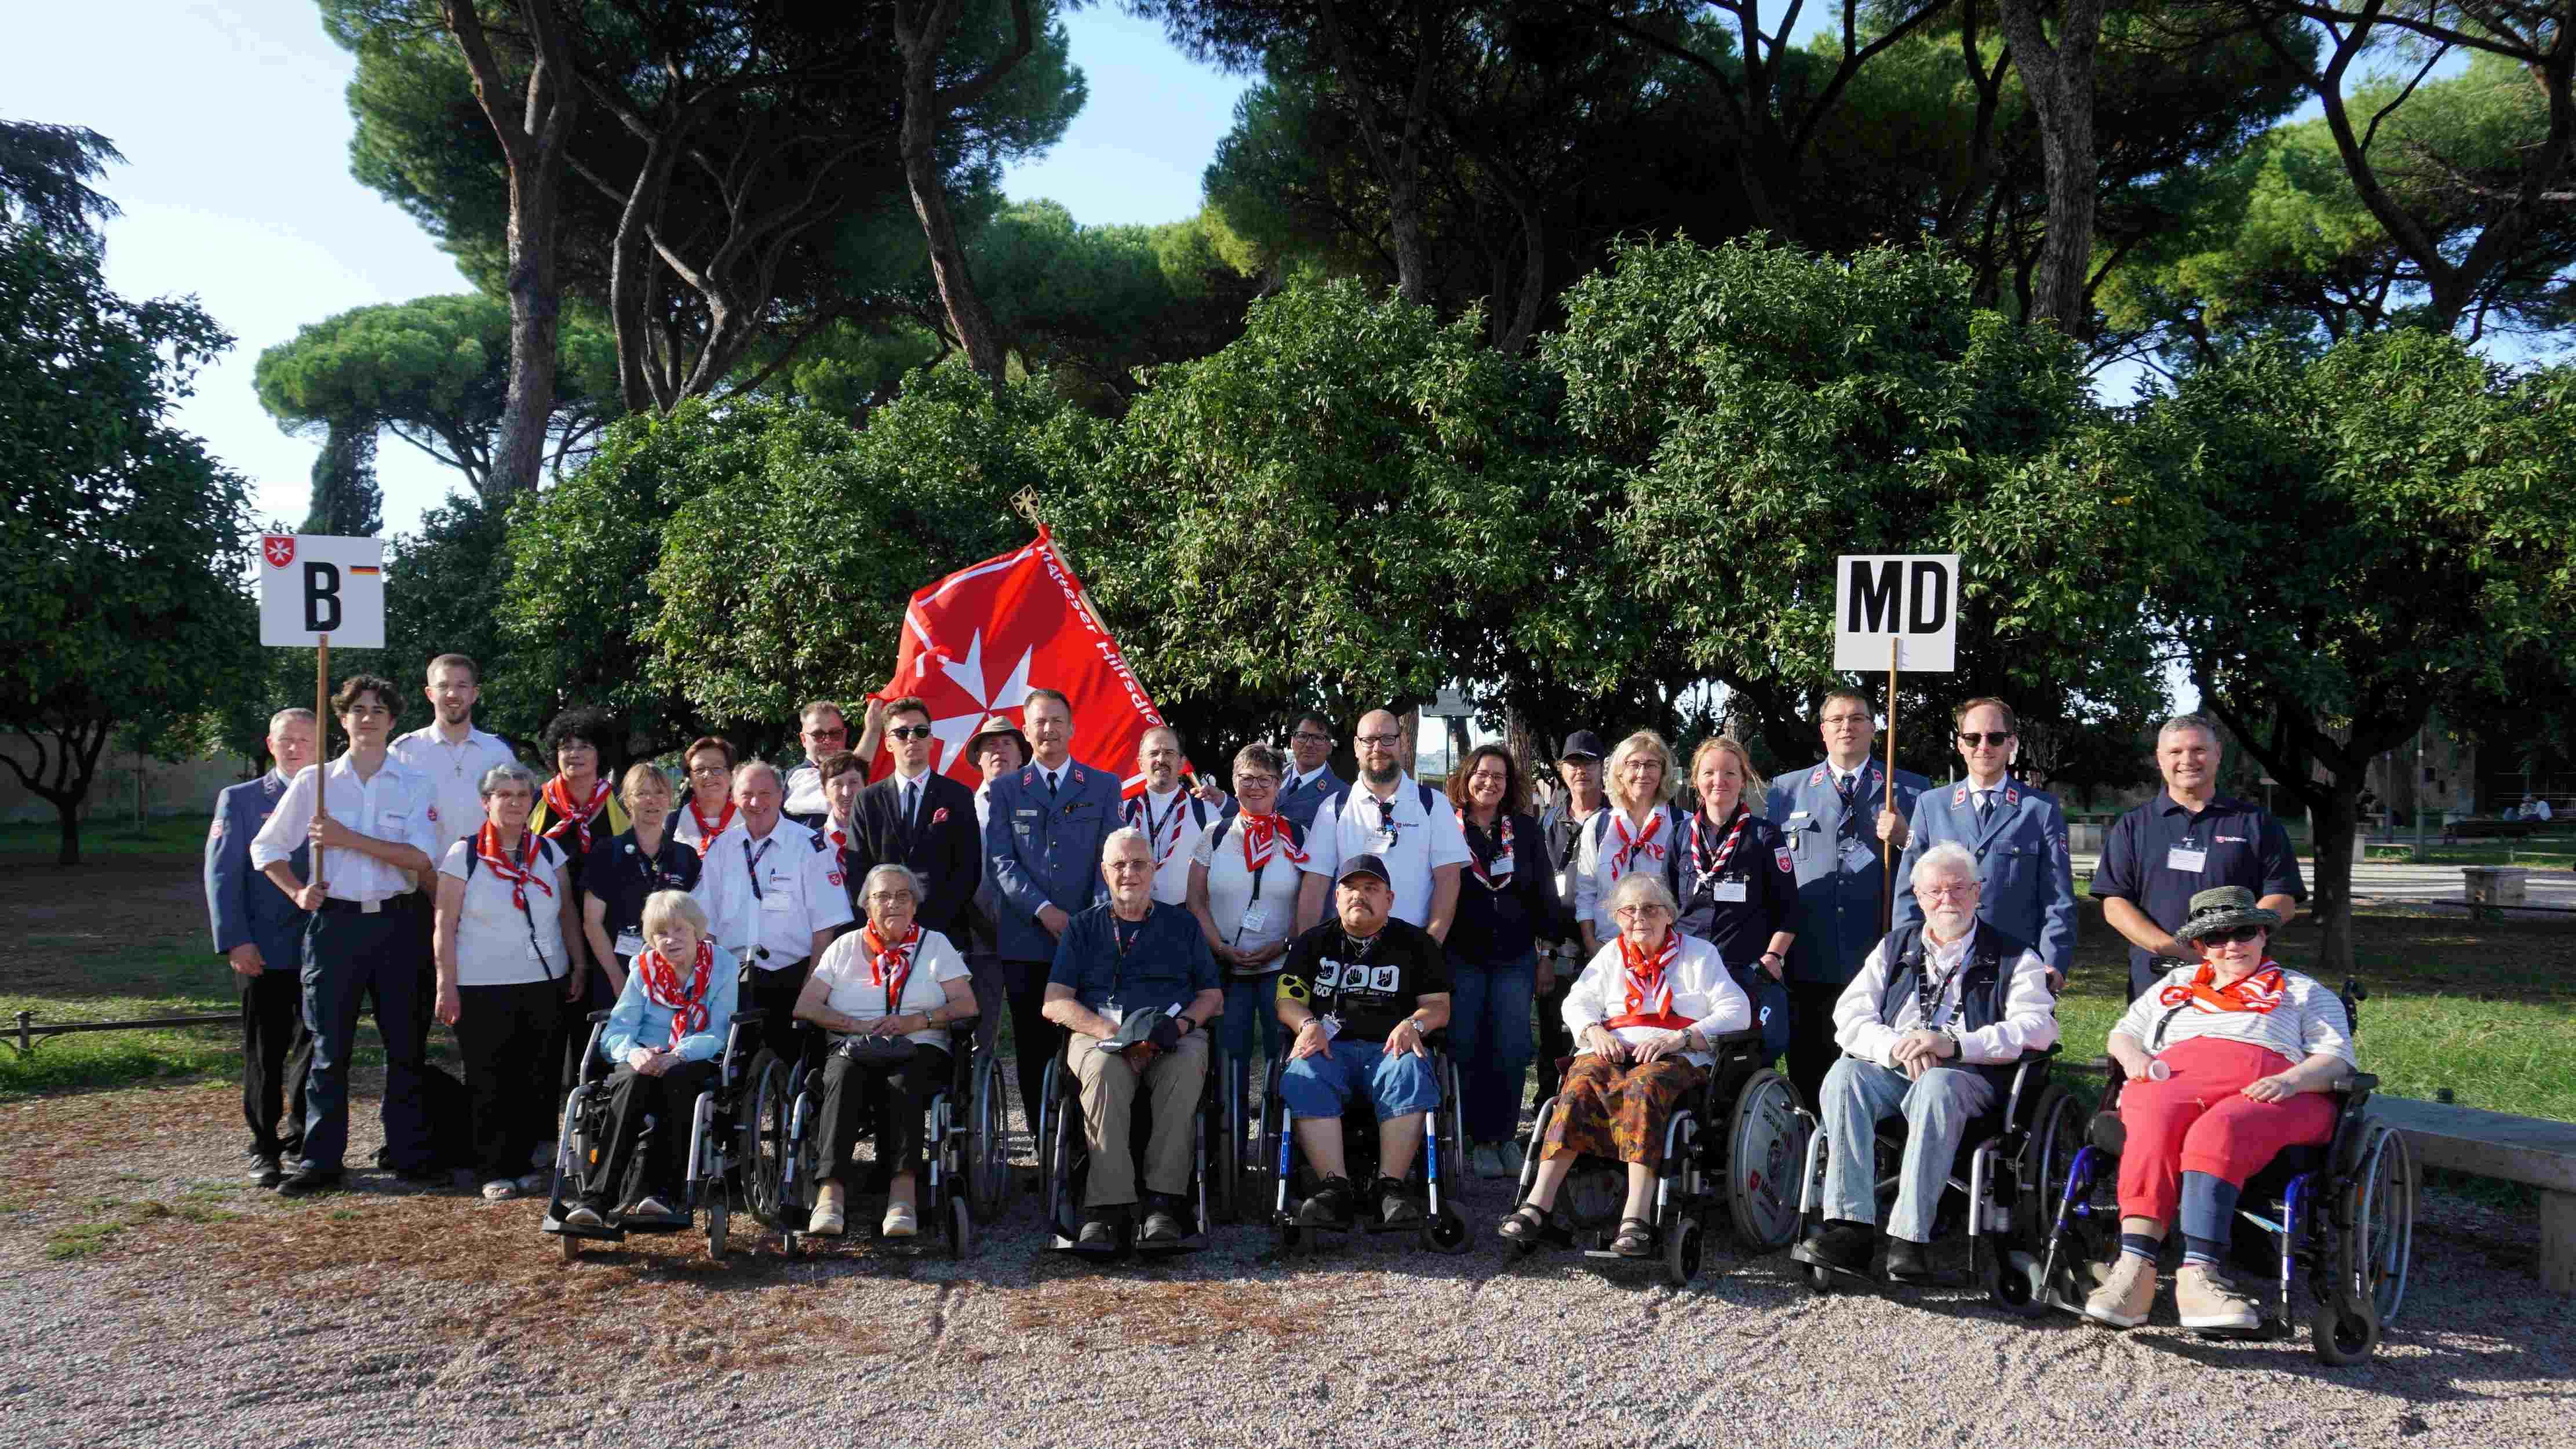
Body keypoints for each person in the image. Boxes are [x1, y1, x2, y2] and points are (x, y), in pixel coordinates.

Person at [2083, 887, 2356, 1332]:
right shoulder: (2173, 987)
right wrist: (2133, 1059)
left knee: (2220, 1127)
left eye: (2243, 932)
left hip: (2276, 1089)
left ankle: (2199, 1276)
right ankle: (2133, 1270)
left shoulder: (2303, 990)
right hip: (2176, 1080)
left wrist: (2290, 1080)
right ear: (2198, 947)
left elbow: (2336, 1060)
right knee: (2152, 1115)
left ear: (2263, 935)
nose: (2231, 945)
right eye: (2215, 937)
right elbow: (2123, 1034)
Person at [1791, 843, 2059, 1283]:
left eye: (1957, 889)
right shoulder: (1894, 946)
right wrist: (1898, 1047)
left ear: (1977, 892)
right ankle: (1850, 1228)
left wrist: (1952, 1045)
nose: (1946, 900)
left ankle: (1909, 1238)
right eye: (1934, 891)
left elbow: (2037, 1029)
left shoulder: (2015, 956)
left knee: (1937, 1087)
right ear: (1917, 897)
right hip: (1896, 1069)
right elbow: (1849, 1015)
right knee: (1843, 1075)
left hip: (1969, 1078)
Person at [249, 675, 440, 1196]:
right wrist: (295, 892)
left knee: (405, 1045)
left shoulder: (414, 782)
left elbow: (422, 858)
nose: (369, 717)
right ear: (343, 718)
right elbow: (264, 849)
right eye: (358, 709)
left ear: (393, 720)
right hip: (336, 926)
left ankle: (406, 1150)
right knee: (330, 1048)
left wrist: (346, 839)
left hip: (399, 924)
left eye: (379, 710)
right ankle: (321, 1159)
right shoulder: (315, 783)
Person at [1497, 873, 1751, 1255]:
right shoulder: (1611, 954)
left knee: (1644, 1087)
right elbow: (1577, 1002)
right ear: (1616, 918)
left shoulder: (1699, 954)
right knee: (1579, 1084)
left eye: (1650, 908)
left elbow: (1738, 1010)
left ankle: (1636, 1217)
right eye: (1628, 910)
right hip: (1612, 1049)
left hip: (1673, 1055)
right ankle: (1538, 1205)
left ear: (1669, 914)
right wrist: (1592, 1030)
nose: (1639, 918)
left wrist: (1680, 1037)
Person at [1043, 829, 1223, 1247]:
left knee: (1183, 1068)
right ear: (1104, 873)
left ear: (1155, 869)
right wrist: (1111, 1034)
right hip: (1102, 1035)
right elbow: (1054, 1003)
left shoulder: (1182, 925)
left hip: (1170, 1033)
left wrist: (1176, 1029)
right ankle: (1107, 1209)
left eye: (1139, 863)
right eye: (1119, 865)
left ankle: (1164, 1204)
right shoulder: (1083, 927)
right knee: (1104, 1070)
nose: (1129, 873)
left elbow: (1211, 996)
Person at [793, 863, 978, 1238]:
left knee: (905, 1074)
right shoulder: (843, 947)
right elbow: (806, 1007)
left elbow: (966, 1005)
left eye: (902, 895)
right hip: (852, 1046)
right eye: (882, 896)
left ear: (914, 904)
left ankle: (903, 1195)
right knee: (842, 1076)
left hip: (921, 1045)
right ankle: (830, 1194)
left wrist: (916, 1022)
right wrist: (856, 1026)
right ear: (867, 906)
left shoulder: (936, 945)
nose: (893, 903)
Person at [1766, 687, 1926, 1110]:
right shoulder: (1786, 790)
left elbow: (1938, 870)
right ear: (1822, 731)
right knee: (1808, 1056)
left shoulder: (1910, 790)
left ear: (1874, 728)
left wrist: (1907, 838)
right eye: (1836, 720)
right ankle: (1811, 1139)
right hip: (1809, 951)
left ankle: (1878, 1144)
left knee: (1875, 1059)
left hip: (1879, 951)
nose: (1846, 727)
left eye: (1857, 718)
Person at [1274, 853, 1453, 1229]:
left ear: (1389, 899)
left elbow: (1438, 1007)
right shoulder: (1311, 942)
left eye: (1370, 889)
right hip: (1328, 1050)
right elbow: (1287, 999)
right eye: (1351, 889)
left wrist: (1413, 1026)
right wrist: (1307, 1024)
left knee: (1409, 1068)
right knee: (1303, 1070)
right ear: (1336, 898)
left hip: (1388, 1049)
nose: (1360, 896)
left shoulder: (1416, 943)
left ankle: (1389, 1188)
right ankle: (1332, 1189)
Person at [433, 762, 582, 1201]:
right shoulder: (464, 855)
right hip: (482, 985)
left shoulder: (550, 852)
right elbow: (444, 922)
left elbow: (567, 913)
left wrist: (580, 965)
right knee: (490, 1077)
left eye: (522, 794)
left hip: (544, 981)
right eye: (504, 794)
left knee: (538, 1076)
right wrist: (447, 984)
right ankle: (494, 1167)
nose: (515, 802)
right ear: (486, 802)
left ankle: (533, 1163)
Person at [983, 688, 1125, 1122]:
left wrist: (1089, 921)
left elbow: (1112, 860)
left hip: (1088, 940)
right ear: (1026, 731)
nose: (1048, 729)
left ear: (1071, 728)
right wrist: (1043, 910)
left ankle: (1085, 1146)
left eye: (1056, 721)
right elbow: (1001, 861)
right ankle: (1045, 1148)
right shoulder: (1005, 790)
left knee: (1089, 1044)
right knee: (1033, 1047)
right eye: (1039, 722)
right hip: (1026, 941)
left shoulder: (1102, 786)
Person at [2092, 713, 2305, 1000]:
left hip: (2240, 979)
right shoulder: (2132, 826)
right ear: (2160, 759)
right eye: (2176, 752)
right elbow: (2115, 905)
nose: (2187, 760)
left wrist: (2231, 944)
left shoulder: (2257, 823)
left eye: (2199, 750)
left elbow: (2284, 899)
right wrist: (2176, 950)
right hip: (2157, 980)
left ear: (2218, 754)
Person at [562, 890, 739, 1228]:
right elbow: (617, 1030)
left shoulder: (723, 967)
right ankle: (597, 1199)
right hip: (643, 1058)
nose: (670, 940)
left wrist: (679, 1054)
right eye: (660, 933)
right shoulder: (642, 968)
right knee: (631, 1080)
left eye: (679, 930)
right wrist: (634, 1053)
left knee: (679, 1080)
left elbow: (719, 1031)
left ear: (697, 931)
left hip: (693, 1056)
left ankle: (661, 1193)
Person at [205, 707, 319, 1186]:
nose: (295, 748)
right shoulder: (242, 799)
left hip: (321, 948)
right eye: (285, 740)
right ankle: (264, 1146)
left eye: (305, 740)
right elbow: (222, 874)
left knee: (314, 1052)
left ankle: (302, 1141)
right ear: (269, 745)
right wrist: (236, 940)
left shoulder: (334, 795)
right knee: (265, 1051)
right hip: (264, 950)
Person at [1893, 698, 2076, 989]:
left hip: (2017, 965)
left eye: (1995, 738)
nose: (1984, 746)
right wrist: (1908, 955)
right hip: (1942, 963)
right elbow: (1908, 892)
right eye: (1973, 738)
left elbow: (2058, 897)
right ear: (1960, 744)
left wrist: (2052, 962)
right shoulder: (1931, 806)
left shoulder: (2040, 809)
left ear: (2011, 743)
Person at [389, 653, 518, 1065]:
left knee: (483, 1029)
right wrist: (433, 884)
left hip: (481, 905)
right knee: (410, 1026)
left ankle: (483, 1120)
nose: (453, 694)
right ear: (429, 693)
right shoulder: (404, 752)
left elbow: (512, 824)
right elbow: (393, 830)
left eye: (462, 685)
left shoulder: (498, 752)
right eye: (444, 685)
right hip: (417, 899)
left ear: (475, 693)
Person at [1442, 744, 1561, 1178]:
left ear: (1509, 785)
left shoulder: (1525, 831)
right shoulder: (1446, 827)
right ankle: (1474, 1138)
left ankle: (1504, 1135)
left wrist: (1546, 953)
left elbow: (1544, 894)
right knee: (1466, 1046)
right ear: (1465, 777)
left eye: (1499, 776)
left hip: (1514, 958)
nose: (1489, 782)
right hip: (1461, 956)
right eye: (1481, 773)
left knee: (1511, 1049)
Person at [1184, 743, 1307, 1144]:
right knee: (1229, 1056)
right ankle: (1230, 1144)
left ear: (1279, 784)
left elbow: (1310, 902)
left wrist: (1285, 943)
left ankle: (1280, 1143)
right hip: (1226, 967)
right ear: (1234, 783)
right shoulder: (1214, 834)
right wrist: (1218, 945)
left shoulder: (1298, 836)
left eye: (1265, 779)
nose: (1256, 787)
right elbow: (1195, 900)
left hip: (1281, 966)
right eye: (1247, 778)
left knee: (1284, 1057)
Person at [699, 760, 854, 1044]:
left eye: (766, 793)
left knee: (786, 1070)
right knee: (733, 1071)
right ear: (734, 797)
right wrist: (708, 983)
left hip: (792, 979)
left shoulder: (809, 846)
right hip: (732, 980)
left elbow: (825, 927)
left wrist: (812, 987)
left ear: (781, 796)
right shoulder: (720, 849)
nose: (756, 802)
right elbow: (705, 924)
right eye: (746, 794)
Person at [1295, 708, 1470, 938]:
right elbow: (1316, 882)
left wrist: (1432, 945)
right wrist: (1305, 949)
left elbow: (1448, 880)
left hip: (1412, 946)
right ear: (1357, 747)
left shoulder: (1433, 805)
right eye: (1369, 740)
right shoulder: (1333, 808)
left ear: (1402, 744)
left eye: (1388, 739)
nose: (1378, 748)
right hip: (1346, 947)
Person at [1673, 736, 1798, 1060]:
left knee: (1743, 1062)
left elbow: (1789, 908)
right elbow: (1668, 904)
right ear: (1696, 779)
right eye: (1709, 773)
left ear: (1743, 779)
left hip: (1745, 971)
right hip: (1689, 972)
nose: (1719, 781)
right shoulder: (1680, 834)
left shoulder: (1764, 835)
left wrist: (1773, 958)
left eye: (1729, 773)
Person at [844, 696, 982, 942]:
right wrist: (886, 922)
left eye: (921, 731)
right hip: (882, 932)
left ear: (931, 740)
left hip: (943, 932)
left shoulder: (958, 795)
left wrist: (927, 926)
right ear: (888, 744)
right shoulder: (867, 800)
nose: (912, 738)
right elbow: (858, 871)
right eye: (901, 733)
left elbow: (968, 870)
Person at [580, 762, 705, 1007]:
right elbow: (592, 923)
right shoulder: (606, 852)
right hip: (617, 976)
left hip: (674, 979)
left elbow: (696, 925)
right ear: (627, 801)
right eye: (642, 793)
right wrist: (618, 981)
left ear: (669, 799)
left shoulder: (686, 857)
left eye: (659, 792)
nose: (652, 800)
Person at [1532, 730, 1609, 1111]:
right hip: (1558, 950)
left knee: (1600, 1039)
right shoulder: (1549, 822)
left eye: (1589, 762)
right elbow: (1541, 891)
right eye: (1573, 763)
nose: (1581, 771)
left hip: (1607, 950)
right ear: (1562, 770)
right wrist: (1543, 954)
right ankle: (1550, 1115)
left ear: (1602, 768)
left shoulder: (1618, 820)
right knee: (1554, 1038)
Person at [1572, 730, 1690, 957]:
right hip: (1608, 950)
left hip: (1666, 952)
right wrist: (1591, 945)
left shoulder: (1683, 823)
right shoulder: (1598, 826)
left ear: (1664, 771)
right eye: (1633, 764)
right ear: (1620, 772)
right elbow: (1586, 893)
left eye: (1652, 765)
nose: (1642, 772)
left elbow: (1688, 896)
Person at [960, 713, 1029, 1065]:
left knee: (1037, 1032)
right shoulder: (964, 809)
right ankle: (971, 1111)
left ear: (1021, 756)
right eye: (990, 745)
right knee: (978, 1034)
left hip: (1033, 934)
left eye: (1006, 743)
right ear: (979, 760)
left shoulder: (1039, 805)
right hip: (978, 934)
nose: (998, 750)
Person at [527, 707, 628, 897]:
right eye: (566, 747)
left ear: (601, 753)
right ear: (555, 755)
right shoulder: (535, 801)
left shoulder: (621, 802)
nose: (574, 754)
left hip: (607, 913)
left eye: (584, 747)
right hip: (546, 912)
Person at [1125, 726, 1231, 905]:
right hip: (1133, 915)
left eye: (1169, 753)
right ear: (1140, 763)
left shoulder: (1206, 812)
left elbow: (1224, 873)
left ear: (1182, 762)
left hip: (1185, 920)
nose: (1161, 759)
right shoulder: (1123, 811)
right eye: (1154, 753)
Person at [782, 698, 885, 829]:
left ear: (844, 735)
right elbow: (840, 797)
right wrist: (872, 731)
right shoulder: (799, 777)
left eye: (835, 733)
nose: (828, 741)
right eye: (818, 735)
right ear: (803, 739)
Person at [671, 736, 740, 857]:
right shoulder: (674, 822)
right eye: (699, 770)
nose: (707, 775)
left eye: (717, 768)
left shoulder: (749, 817)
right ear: (690, 780)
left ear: (731, 775)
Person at [1277, 712, 1346, 831]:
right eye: (1303, 736)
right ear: (1292, 741)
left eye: (1318, 738)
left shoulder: (1343, 796)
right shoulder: (1271, 774)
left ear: (1329, 747)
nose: (1309, 744)